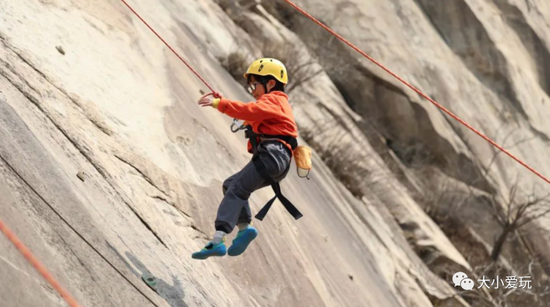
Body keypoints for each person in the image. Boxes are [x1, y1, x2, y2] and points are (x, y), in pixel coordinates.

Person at [193, 58, 300, 259]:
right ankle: (244, 229)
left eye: (255, 84)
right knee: (231, 184)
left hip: (272, 156)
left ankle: (217, 240)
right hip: (275, 161)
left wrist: (219, 104)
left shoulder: (275, 99)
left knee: (237, 189)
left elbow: (249, 110)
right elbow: (249, 116)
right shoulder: (273, 105)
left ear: (270, 83)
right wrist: (225, 101)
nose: (252, 90)